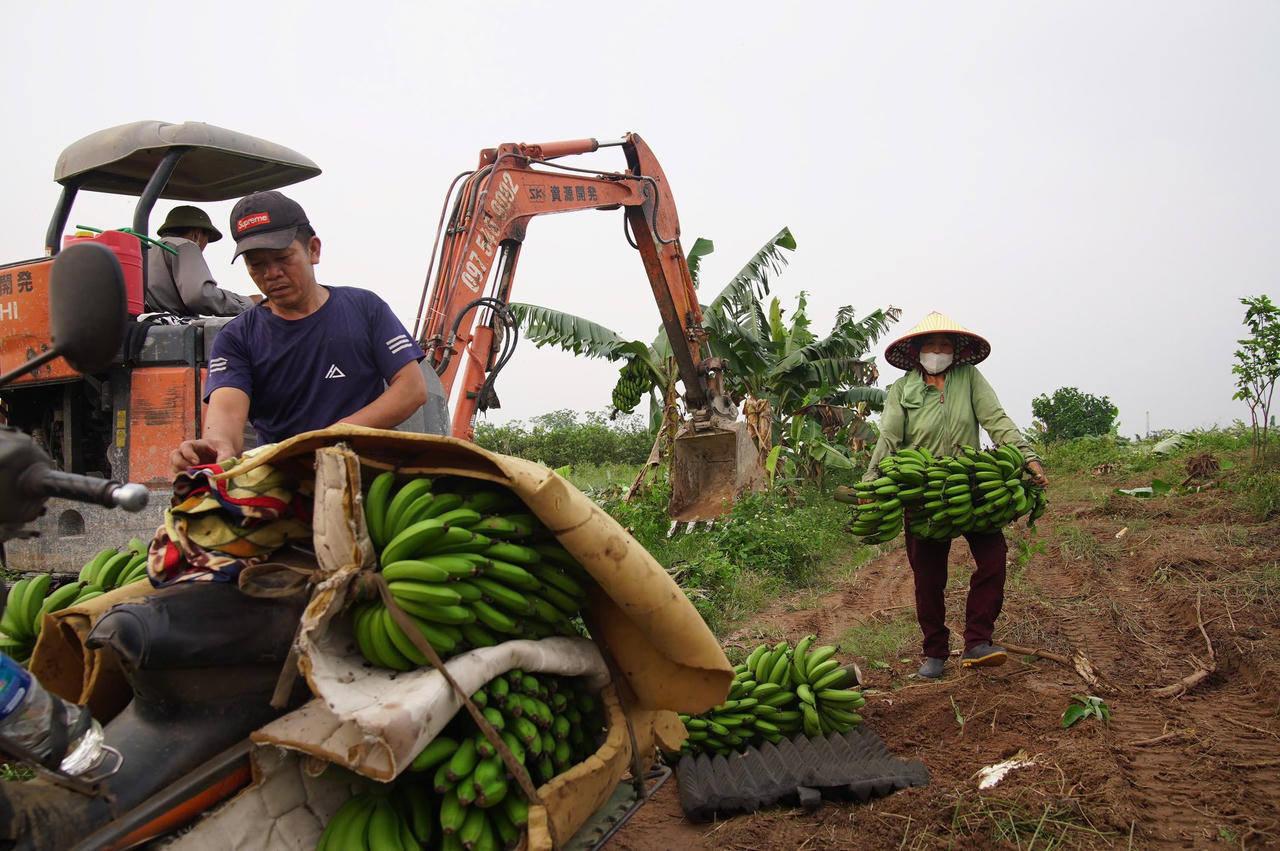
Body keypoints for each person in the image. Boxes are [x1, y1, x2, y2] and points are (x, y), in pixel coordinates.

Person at [169, 191, 428, 473]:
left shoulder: (365, 309)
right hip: (289, 480)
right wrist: (215, 446)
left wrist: (330, 438)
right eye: (257, 265)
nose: (271, 273)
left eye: (283, 258)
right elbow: (227, 418)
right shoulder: (236, 338)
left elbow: (411, 389)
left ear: (313, 250)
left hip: (371, 470)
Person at [863, 312, 1048, 679]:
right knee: (928, 576)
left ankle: (978, 640)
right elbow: (890, 436)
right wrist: (872, 481)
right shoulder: (902, 390)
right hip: (924, 487)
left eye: (945, 345)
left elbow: (995, 419)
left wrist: (1028, 456)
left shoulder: (968, 378)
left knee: (993, 562)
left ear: (956, 351)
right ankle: (935, 651)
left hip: (972, 481)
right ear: (916, 352)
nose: (938, 351)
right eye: (931, 345)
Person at [145, 205, 259, 316]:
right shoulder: (184, 245)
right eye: (207, 239)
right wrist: (247, 303)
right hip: (170, 328)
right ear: (196, 235)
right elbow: (199, 295)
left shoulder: (147, 250)